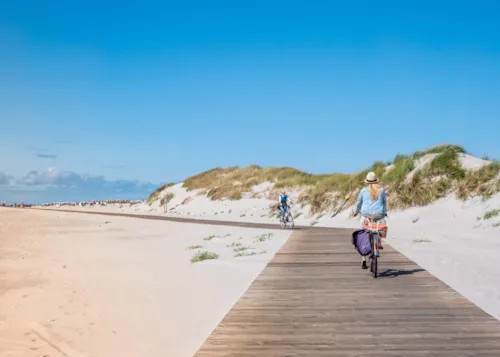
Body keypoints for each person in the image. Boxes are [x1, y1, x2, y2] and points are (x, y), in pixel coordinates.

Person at [353, 171, 387, 269]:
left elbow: (359, 203)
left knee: (361, 234)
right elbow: (384, 202)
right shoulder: (382, 190)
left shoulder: (363, 191)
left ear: (367, 181)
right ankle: (378, 242)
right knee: (379, 227)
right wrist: (384, 212)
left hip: (366, 216)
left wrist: (356, 211)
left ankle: (363, 259)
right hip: (379, 215)